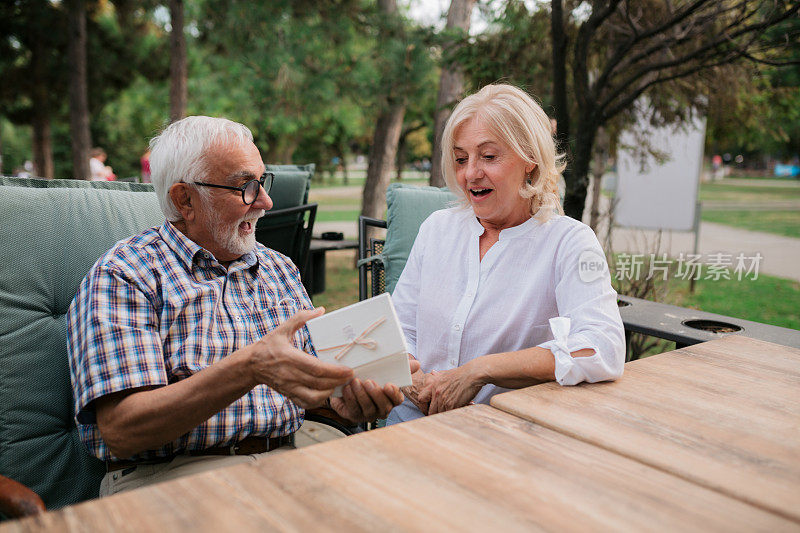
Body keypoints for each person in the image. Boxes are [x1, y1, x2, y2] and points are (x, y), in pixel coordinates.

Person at [68, 116, 408, 496]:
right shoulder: (126, 275)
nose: (265, 201)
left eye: (262, 182)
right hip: (176, 475)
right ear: (185, 199)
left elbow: (316, 397)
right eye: (244, 186)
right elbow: (122, 431)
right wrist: (249, 367)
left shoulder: (277, 268)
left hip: (298, 448)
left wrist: (347, 403)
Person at [387, 84, 625, 424]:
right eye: (460, 158)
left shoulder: (569, 243)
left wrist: (480, 371)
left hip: (501, 433)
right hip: (410, 420)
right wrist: (415, 381)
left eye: (488, 156)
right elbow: (400, 329)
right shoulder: (436, 229)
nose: (470, 173)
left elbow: (603, 346)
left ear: (530, 159)